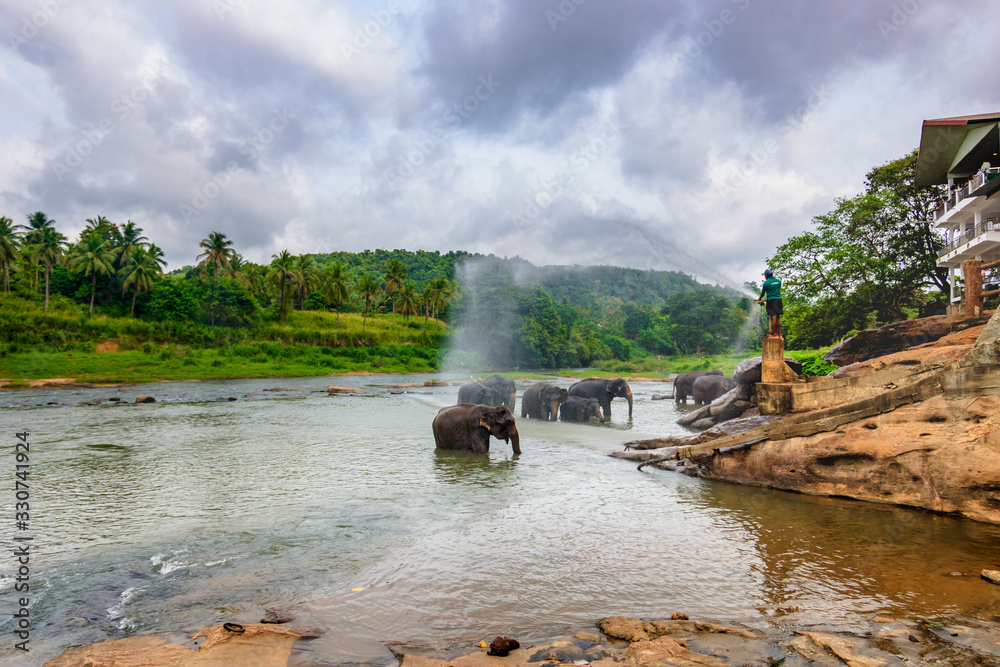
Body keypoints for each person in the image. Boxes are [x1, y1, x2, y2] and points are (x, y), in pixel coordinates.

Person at [757, 268, 782, 338]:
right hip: (778, 300)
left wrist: (759, 299)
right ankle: (780, 334)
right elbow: (775, 291)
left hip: (771, 300)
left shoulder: (766, 283)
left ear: (766, 276)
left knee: (773, 317)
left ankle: (775, 334)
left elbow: (763, 293)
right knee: (778, 318)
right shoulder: (778, 281)